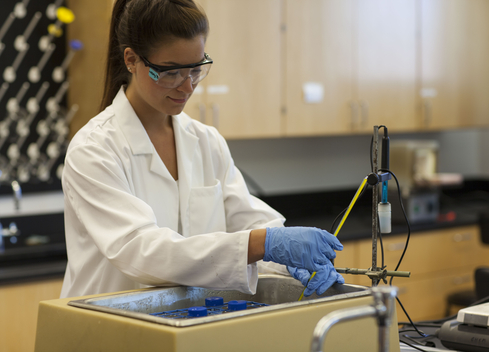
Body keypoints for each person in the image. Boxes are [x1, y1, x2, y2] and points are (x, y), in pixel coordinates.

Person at [60, 0, 344, 298]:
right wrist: (264, 244)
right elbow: (140, 251)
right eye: (170, 72)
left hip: (183, 327)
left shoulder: (206, 141)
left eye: (196, 69)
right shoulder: (93, 149)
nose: (187, 87)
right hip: (104, 331)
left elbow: (248, 219)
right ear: (131, 59)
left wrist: (288, 260)